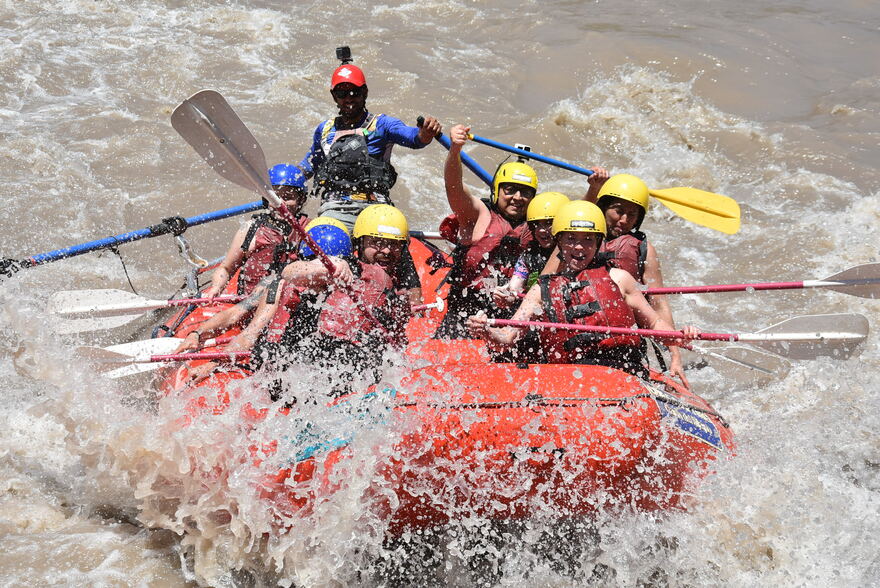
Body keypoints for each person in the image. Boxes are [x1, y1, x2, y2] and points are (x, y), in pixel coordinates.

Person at [184, 205, 412, 401]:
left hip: (338, 374)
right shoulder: (280, 283)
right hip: (290, 371)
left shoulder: (369, 280)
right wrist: (203, 345)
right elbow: (246, 327)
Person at [466, 201, 699, 379]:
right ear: (559, 242)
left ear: (599, 243)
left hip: (622, 373)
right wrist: (486, 331)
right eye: (570, 239)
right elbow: (508, 336)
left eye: (588, 239)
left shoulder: (620, 279)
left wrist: (679, 337)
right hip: (571, 378)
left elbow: (655, 324)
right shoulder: (541, 289)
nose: (579, 247)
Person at [435, 125, 606, 339]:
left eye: (525, 192)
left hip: (514, 313)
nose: (517, 197)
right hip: (464, 310)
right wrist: (455, 150)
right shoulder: (477, 215)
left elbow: (575, 221)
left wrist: (594, 188)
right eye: (510, 190)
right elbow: (453, 186)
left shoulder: (538, 225)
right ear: (497, 190)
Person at [297, 55, 441, 304]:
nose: (349, 98)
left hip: (374, 206)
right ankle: (317, 303)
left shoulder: (382, 125)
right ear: (334, 97)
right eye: (342, 93)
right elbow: (311, 164)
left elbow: (414, 138)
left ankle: (413, 300)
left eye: (354, 92)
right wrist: (286, 184)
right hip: (335, 206)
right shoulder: (324, 129)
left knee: (391, 240)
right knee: (320, 243)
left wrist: (425, 133)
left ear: (364, 93)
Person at [203, 164, 309, 298]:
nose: (280, 203)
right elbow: (225, 268)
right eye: (274, 197)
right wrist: (217, 287)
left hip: (287, 303)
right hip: (248, 302)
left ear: (301, 200)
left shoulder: (309, 229)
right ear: (266, 198)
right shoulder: (250, 229)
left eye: (287, 197)